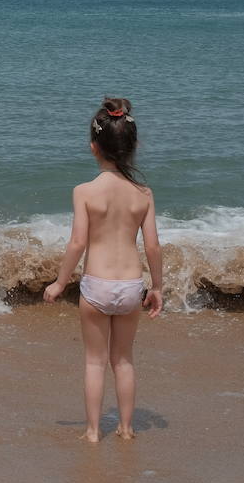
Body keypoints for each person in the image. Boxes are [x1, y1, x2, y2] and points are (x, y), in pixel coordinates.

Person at [43, 97, 164, 442]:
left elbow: (77, 243)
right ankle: (126, 429)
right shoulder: (143, 194)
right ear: (133, 145)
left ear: (93, 147)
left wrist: (59, 282)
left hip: (95, 286)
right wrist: (157, 287)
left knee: (94, 363)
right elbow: (153, 246)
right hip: (130, 286)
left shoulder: (84, 192)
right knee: (123, 361)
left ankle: (94, 432)